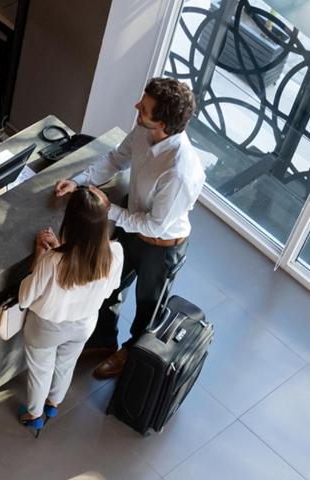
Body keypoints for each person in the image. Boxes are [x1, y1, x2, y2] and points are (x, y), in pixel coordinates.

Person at [54, 77, 204, 379]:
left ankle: (133, 353)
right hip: (131, 226)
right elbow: (116, 159)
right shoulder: (143, 130)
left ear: (161, 122)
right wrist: (81, 180)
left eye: (144, 107)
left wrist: (110, 211)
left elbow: (156, 224)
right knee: (109, 284)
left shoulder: (180, 171)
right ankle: (103, 340)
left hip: (161, 246)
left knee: (148, 307)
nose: (137, 106)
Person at [16, 187, 124, 435]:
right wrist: (61, 248)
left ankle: (34, 415)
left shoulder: (52, 260)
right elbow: (108, 290)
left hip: (46, 327)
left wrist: (41, 255)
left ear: (70, 221)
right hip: (85, 324)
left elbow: (25, 297)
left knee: (40, 371)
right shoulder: (116, 253)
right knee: (66, 364)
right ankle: (53, 405)